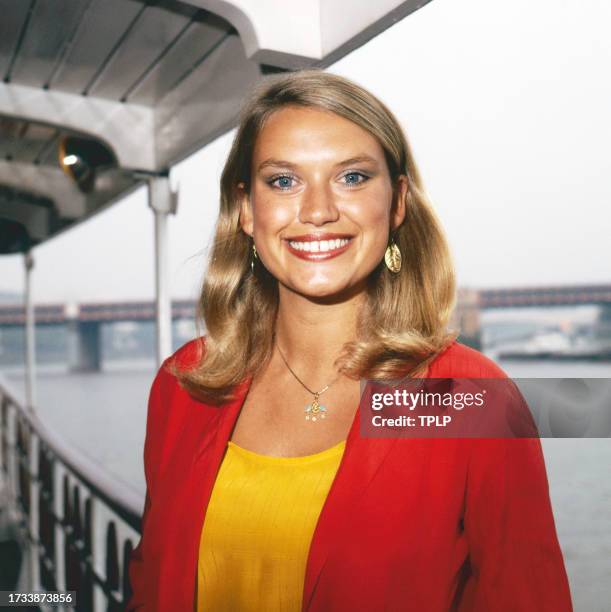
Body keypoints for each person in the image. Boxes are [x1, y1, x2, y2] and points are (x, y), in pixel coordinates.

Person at [126, 69, 573, 611]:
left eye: (353, 178)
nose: (317, 211)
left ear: (398, 201)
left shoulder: (467, 399)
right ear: (246, 208)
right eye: (283, 181)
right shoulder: (185, 385)